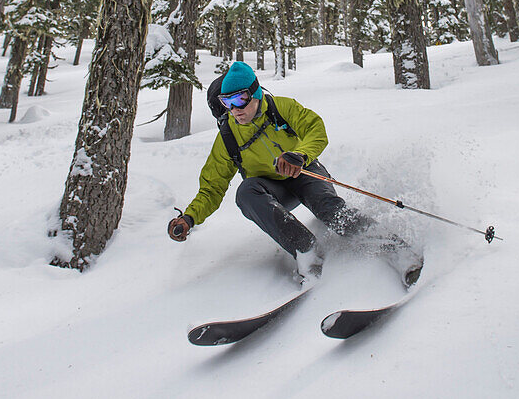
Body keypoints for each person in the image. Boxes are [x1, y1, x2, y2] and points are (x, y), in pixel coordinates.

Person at [167, 61, 421, 287]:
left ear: (254, 93)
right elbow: (212, 186)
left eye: (239, 100)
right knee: (245, 192)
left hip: (304, 172)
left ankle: (397, 250)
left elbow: (315, 129)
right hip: (274, 190)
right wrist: (189, 218)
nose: (234, 110)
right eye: (226, 104)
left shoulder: (281, 108)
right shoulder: (228, 137)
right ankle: (306, 251)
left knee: (329, 209)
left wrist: (299, 155)